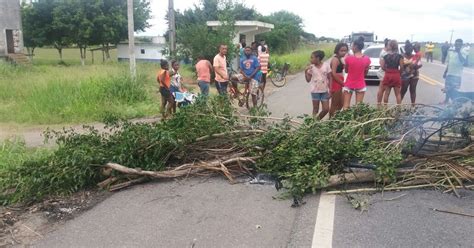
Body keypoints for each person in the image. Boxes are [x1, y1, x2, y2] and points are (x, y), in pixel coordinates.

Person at [343, 37, 371, 109]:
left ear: (355, 46)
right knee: (358, 107)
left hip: (349, 83)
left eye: (352, 45)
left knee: (346, 105)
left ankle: (346, 120)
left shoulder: (348, 58)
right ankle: (356, 120)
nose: (351, 47)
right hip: (360, 84)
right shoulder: (367, 59)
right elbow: (365, 73)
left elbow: (346, 71)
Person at [305, 50, 332, 119]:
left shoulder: (326, 66)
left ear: (318, 58)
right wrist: (306, 71)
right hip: (315, 92)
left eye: (312, 57)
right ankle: (313, 123)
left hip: (324, 91)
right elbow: (308, 80)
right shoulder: (311, 67)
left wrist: (330, 90)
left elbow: (330, 78)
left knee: (326, 109)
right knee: (315, 109)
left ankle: (316, 121)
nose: (310, 59)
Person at [443, 39, 467, 104]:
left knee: (455, 91)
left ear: (461, 45)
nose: (457, 46)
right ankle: (446, 101)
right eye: (456, 44)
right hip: (449, 73)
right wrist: (445, 72)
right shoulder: (451, 52)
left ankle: (454, 103)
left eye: (459, 44)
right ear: (455, 44)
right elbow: (449, 63)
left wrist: (458, 52)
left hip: (457, 75)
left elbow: (463, 61)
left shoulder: (463, 52)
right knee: (447, 89)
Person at [380, 40, 403, 105]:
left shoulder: (386, 56)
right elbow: (401, 67)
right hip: (396, 74)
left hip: (388, 74)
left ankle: (385, 109)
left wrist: (387, 71)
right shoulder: (400, 56)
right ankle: (399, 109)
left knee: (387, 93)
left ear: (390, 46)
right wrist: (399, 73)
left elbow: (382, 66)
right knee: (398, 94)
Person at [329, 42, 348, 117]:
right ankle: (331, 121)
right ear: (337, 50)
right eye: (342, 50)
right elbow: (333, 73)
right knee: (334, 104)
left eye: (345, 50)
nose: (344, 52)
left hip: (339, 83)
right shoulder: (335, 59)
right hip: (336, 83)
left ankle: (335, 117)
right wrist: (342, 83)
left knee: (341, 103)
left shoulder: (340, 59)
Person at [401, 42, 422, 106]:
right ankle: (398, 105)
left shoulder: (415, 56)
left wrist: (414, 66)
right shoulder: (402, 56)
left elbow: (420, 65)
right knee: (403, 90)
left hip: (414, 75)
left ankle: (413, 106)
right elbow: (400, 66)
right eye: (407, 48)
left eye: (410, 49)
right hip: (405, 76)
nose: (409, 50)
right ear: (405, 48)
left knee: (413, 90)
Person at [377, 38, 390, 106]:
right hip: (383, 73)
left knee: (383, 89)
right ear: (386, 45)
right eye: (389, 45)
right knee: (382, 89)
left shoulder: (386, 52)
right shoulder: (384, 53)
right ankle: (379, 104)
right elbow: (382, 66)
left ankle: (380, 104)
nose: (390, 47)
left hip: (384, 73)